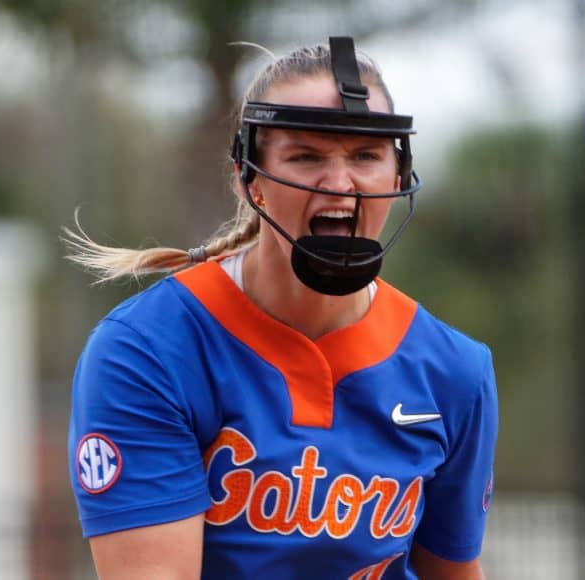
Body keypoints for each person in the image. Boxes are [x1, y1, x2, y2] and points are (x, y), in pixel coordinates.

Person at [66, 37, 498, 579]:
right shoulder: (147, 351)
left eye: (366, 156)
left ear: (397, 177)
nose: (341, 184)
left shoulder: (455, 370)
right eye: (306, 156)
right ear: (250, 182)